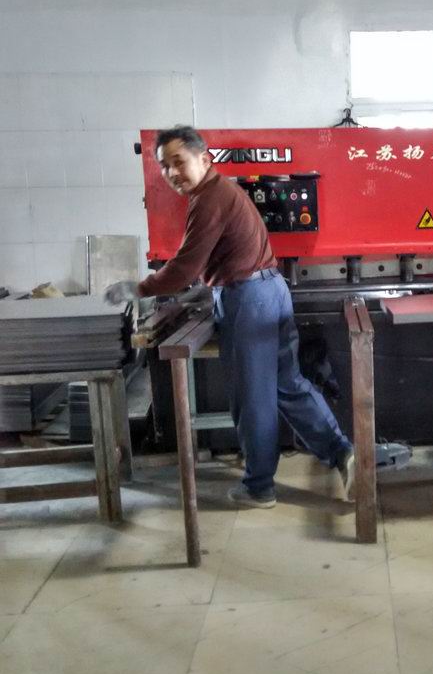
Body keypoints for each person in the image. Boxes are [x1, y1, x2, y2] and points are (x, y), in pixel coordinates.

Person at [105, 125, 354, 508]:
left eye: (179, 162)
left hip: (248, 301)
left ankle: (259, 487)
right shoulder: (222, 192)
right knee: (288, 384)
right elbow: (212, 260)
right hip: (271, 290)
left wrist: (138, 288)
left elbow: (184, 268)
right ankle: (341, 452)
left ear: (204, 158)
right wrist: (208, 286)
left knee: (252, 398)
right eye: (165, 166)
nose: (172, 173)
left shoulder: (209, 199)